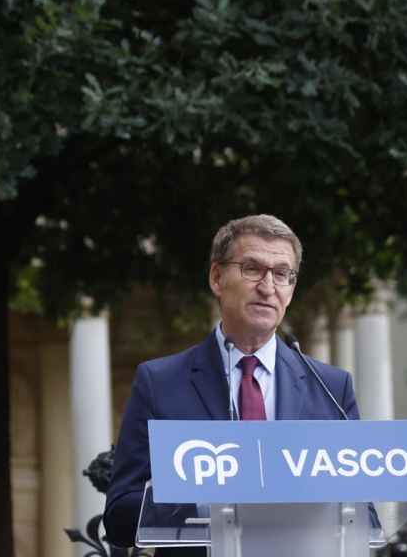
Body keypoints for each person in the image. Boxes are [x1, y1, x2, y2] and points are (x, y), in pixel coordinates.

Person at [103, 214, 361, 555]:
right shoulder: (160, 382)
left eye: (282, 274)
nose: (268, 287)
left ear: (291, 288)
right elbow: (119, 515)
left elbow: (363, 511)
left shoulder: (330, 387)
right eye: (252, 268)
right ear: (217, 277)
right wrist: (205, 506)